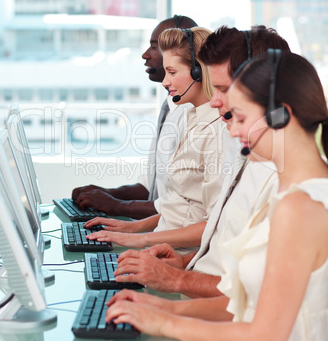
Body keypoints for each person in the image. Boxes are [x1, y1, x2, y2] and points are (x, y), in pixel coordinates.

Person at [105, 50, 328, 340]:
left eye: (241, 117)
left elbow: (266, 332)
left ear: (281, 115)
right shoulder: (287, 194)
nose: (232, 129)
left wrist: (165, 324)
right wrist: (163, 308)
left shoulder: (301, 206)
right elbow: (251, 306)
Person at [111, 26, 291, 297]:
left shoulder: (285, 182)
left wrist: (170, 278)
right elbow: (220, 241)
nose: (216, 102)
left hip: (193, 290)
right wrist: (180, 263)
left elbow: (255, 298)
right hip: (187, 274)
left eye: (223, 89)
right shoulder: (247, 156)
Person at [84, 27, 229, 252]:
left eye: (172, 72)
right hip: (161, 246)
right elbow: (179, 206)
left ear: (199, 71)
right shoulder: (192, 118)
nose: (164, 82)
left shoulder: (219, 131)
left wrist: (140, 239)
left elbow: (215, 223)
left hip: (179, 255)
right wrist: (131, 228)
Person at [71, 15, 198, 220]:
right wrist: (105, 194)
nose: (145, 55)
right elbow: (150, 187)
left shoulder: (192, 114)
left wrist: (116, 206)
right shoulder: (170, 105)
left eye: (155, 47)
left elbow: (183, 207)